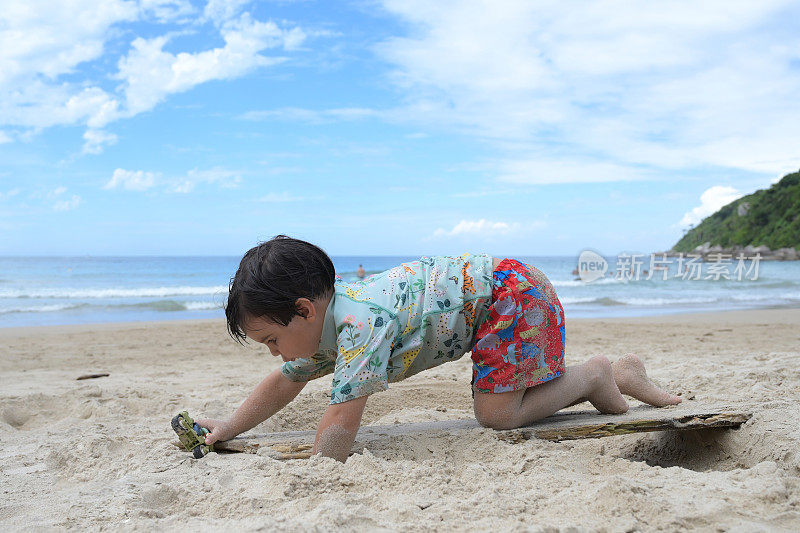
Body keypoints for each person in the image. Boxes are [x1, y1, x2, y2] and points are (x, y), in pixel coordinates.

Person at [198, 235, 681, 462]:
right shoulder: (328, 315)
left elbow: (341, 419)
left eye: (272, 340)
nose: (274, 353)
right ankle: (618, 382)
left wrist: (322, 471)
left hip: (510, 295)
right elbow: (284, 382)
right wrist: (230, 425)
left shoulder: (360, 324)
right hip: (499, 296)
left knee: (496, 414)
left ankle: (598, 374)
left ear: (304, 310)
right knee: (501, 404)